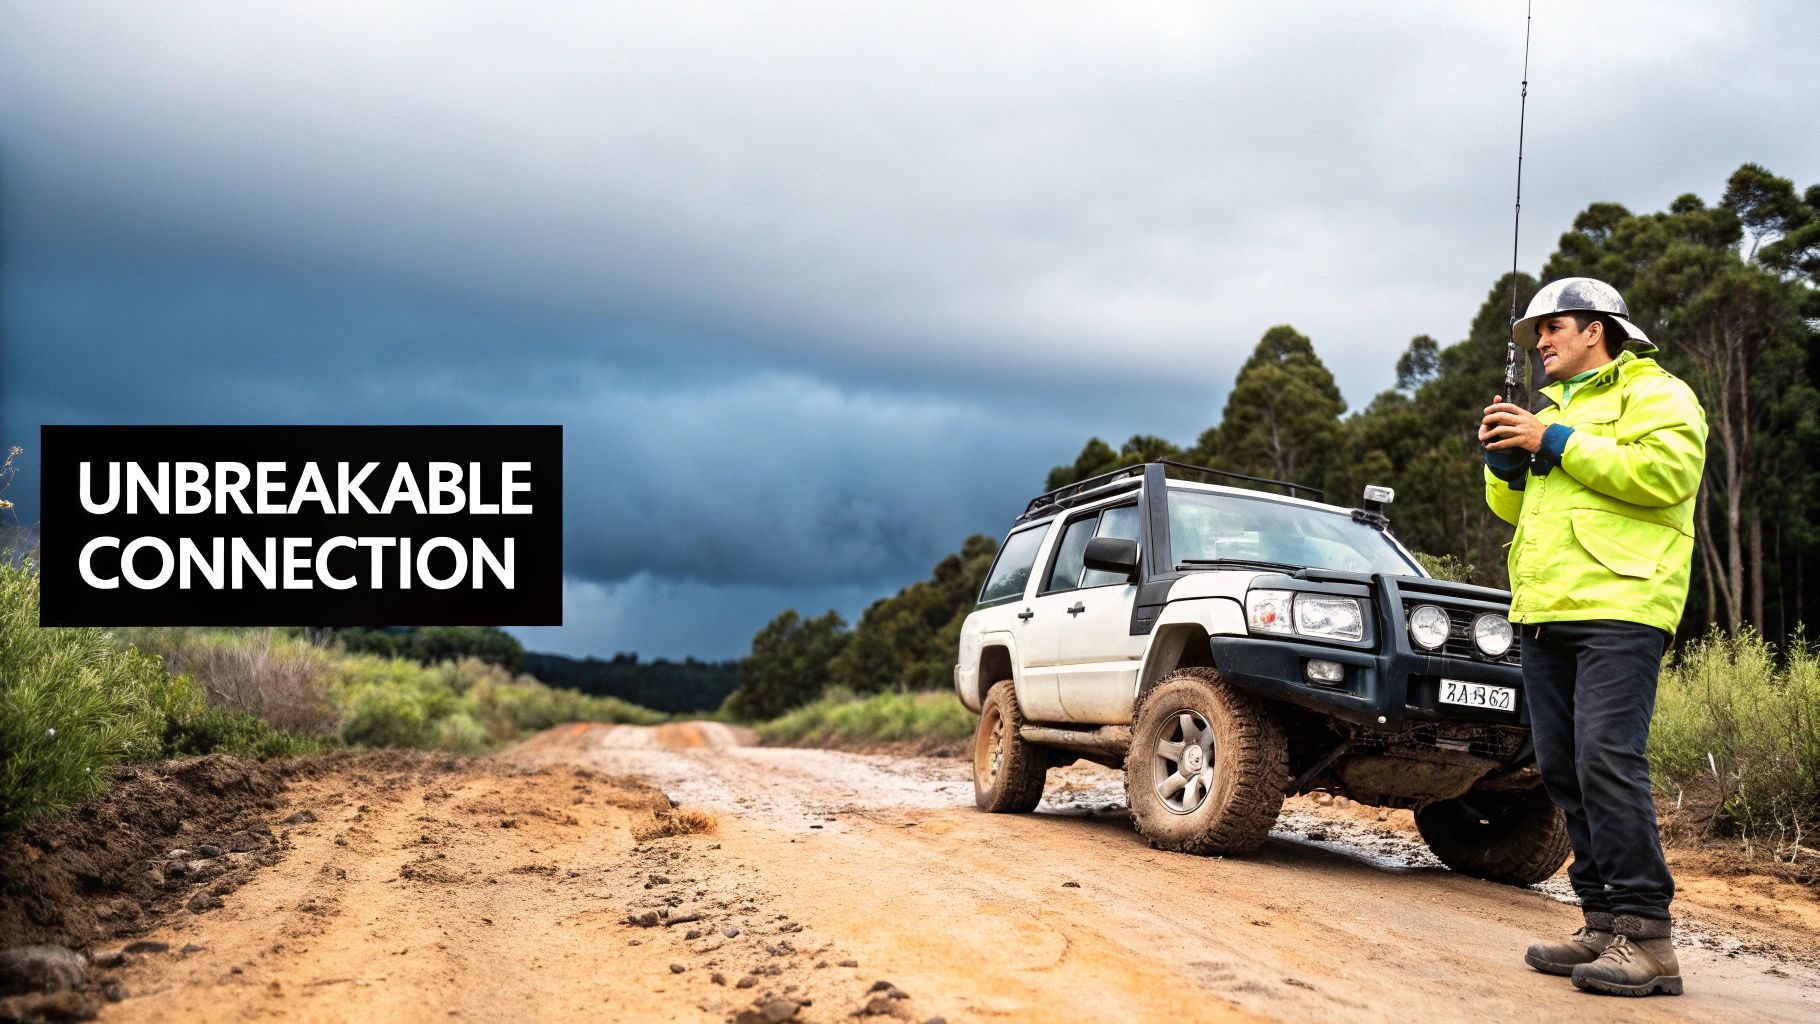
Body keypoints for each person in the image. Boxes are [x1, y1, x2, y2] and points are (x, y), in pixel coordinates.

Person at [1478, 277, 1707, 998]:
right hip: (1546, 606)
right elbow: (1516, 509)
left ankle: (1649, 938)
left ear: (1595, 330)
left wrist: (1552, 439)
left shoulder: (1657, 394)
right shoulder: (1552, 409)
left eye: (1552, 328)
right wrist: (1505, 464)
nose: (1540, 343)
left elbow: (1666, 474)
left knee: (1607, 758)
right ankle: (1603, 923)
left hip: (1623, 603)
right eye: (1535, 334)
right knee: (1563, 768)